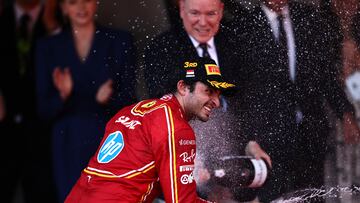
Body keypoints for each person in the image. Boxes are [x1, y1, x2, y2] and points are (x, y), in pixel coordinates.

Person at [231, 0, 360, 202]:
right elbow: (240, 90)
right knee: (276, 198)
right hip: (270, 139)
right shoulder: (245, 25)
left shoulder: (307, 17)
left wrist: (344, 112)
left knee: (312, 196)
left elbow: (325, 74)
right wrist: (248, 136)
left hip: (309, 135)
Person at [144, 0, 270, 201]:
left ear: (221, 11)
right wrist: (192, 155)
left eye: (210, 14)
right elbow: (164, 107)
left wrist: (252, 142)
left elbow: (250, 98)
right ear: (181, 9)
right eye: (195, 13)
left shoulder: (237, 43)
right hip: (187, 164)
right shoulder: (161, 50)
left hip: (235, 171)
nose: (203, 22)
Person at [65, 57, 235, 203]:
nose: (217, 102)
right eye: (209, 91)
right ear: (183, 87)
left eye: (218, 95)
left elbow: (131, 176)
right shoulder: (177, 129)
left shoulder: (133, 110)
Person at [35, 0, 137, 201]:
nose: (81, 7)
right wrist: (62, 96)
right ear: (63, 7)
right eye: (73, 2)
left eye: (86, 0)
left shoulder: (119, 41)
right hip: (67, 142)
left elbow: (131, 102)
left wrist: (109, 98)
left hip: (109, 139)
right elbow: (42, 110)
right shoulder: (48, 47)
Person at [0, 0, 62, 202]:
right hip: (4, 124)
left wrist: (51, 24)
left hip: (44, 127)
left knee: (42, 192)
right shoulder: (3, 15)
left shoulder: (59, 18)